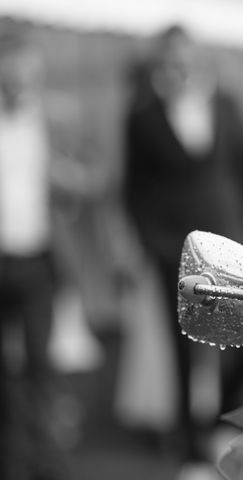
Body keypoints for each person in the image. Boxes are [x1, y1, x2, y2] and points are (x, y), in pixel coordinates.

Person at [122, 24, 243, 470]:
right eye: (171, 58)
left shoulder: (228, 106)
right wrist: (152, 243)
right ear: (162, 61)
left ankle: (226, 424)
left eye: (186, 56)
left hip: (229, 243)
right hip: (174, 250)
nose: (180, 65)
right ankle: (187, 436)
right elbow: (134, 188)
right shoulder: (142, 115)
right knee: (181, 340)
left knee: (236, 336)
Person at [0, 23, 80, 480]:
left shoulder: (51, 119)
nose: (26, 73)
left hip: (37, 261)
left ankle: (46, 464)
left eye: (32, 66)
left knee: (40, 369)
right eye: (17, 64)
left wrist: (70, 182)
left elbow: (87, 178)